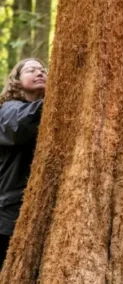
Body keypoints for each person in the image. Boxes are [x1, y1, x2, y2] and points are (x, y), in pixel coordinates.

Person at [0, 58, 47, 267]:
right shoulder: (9, 109)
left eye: (42, 70)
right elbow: (19, 127)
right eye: (30, 70)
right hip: (9, 213)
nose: (39, 73)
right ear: (16, 82)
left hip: (34, 208)